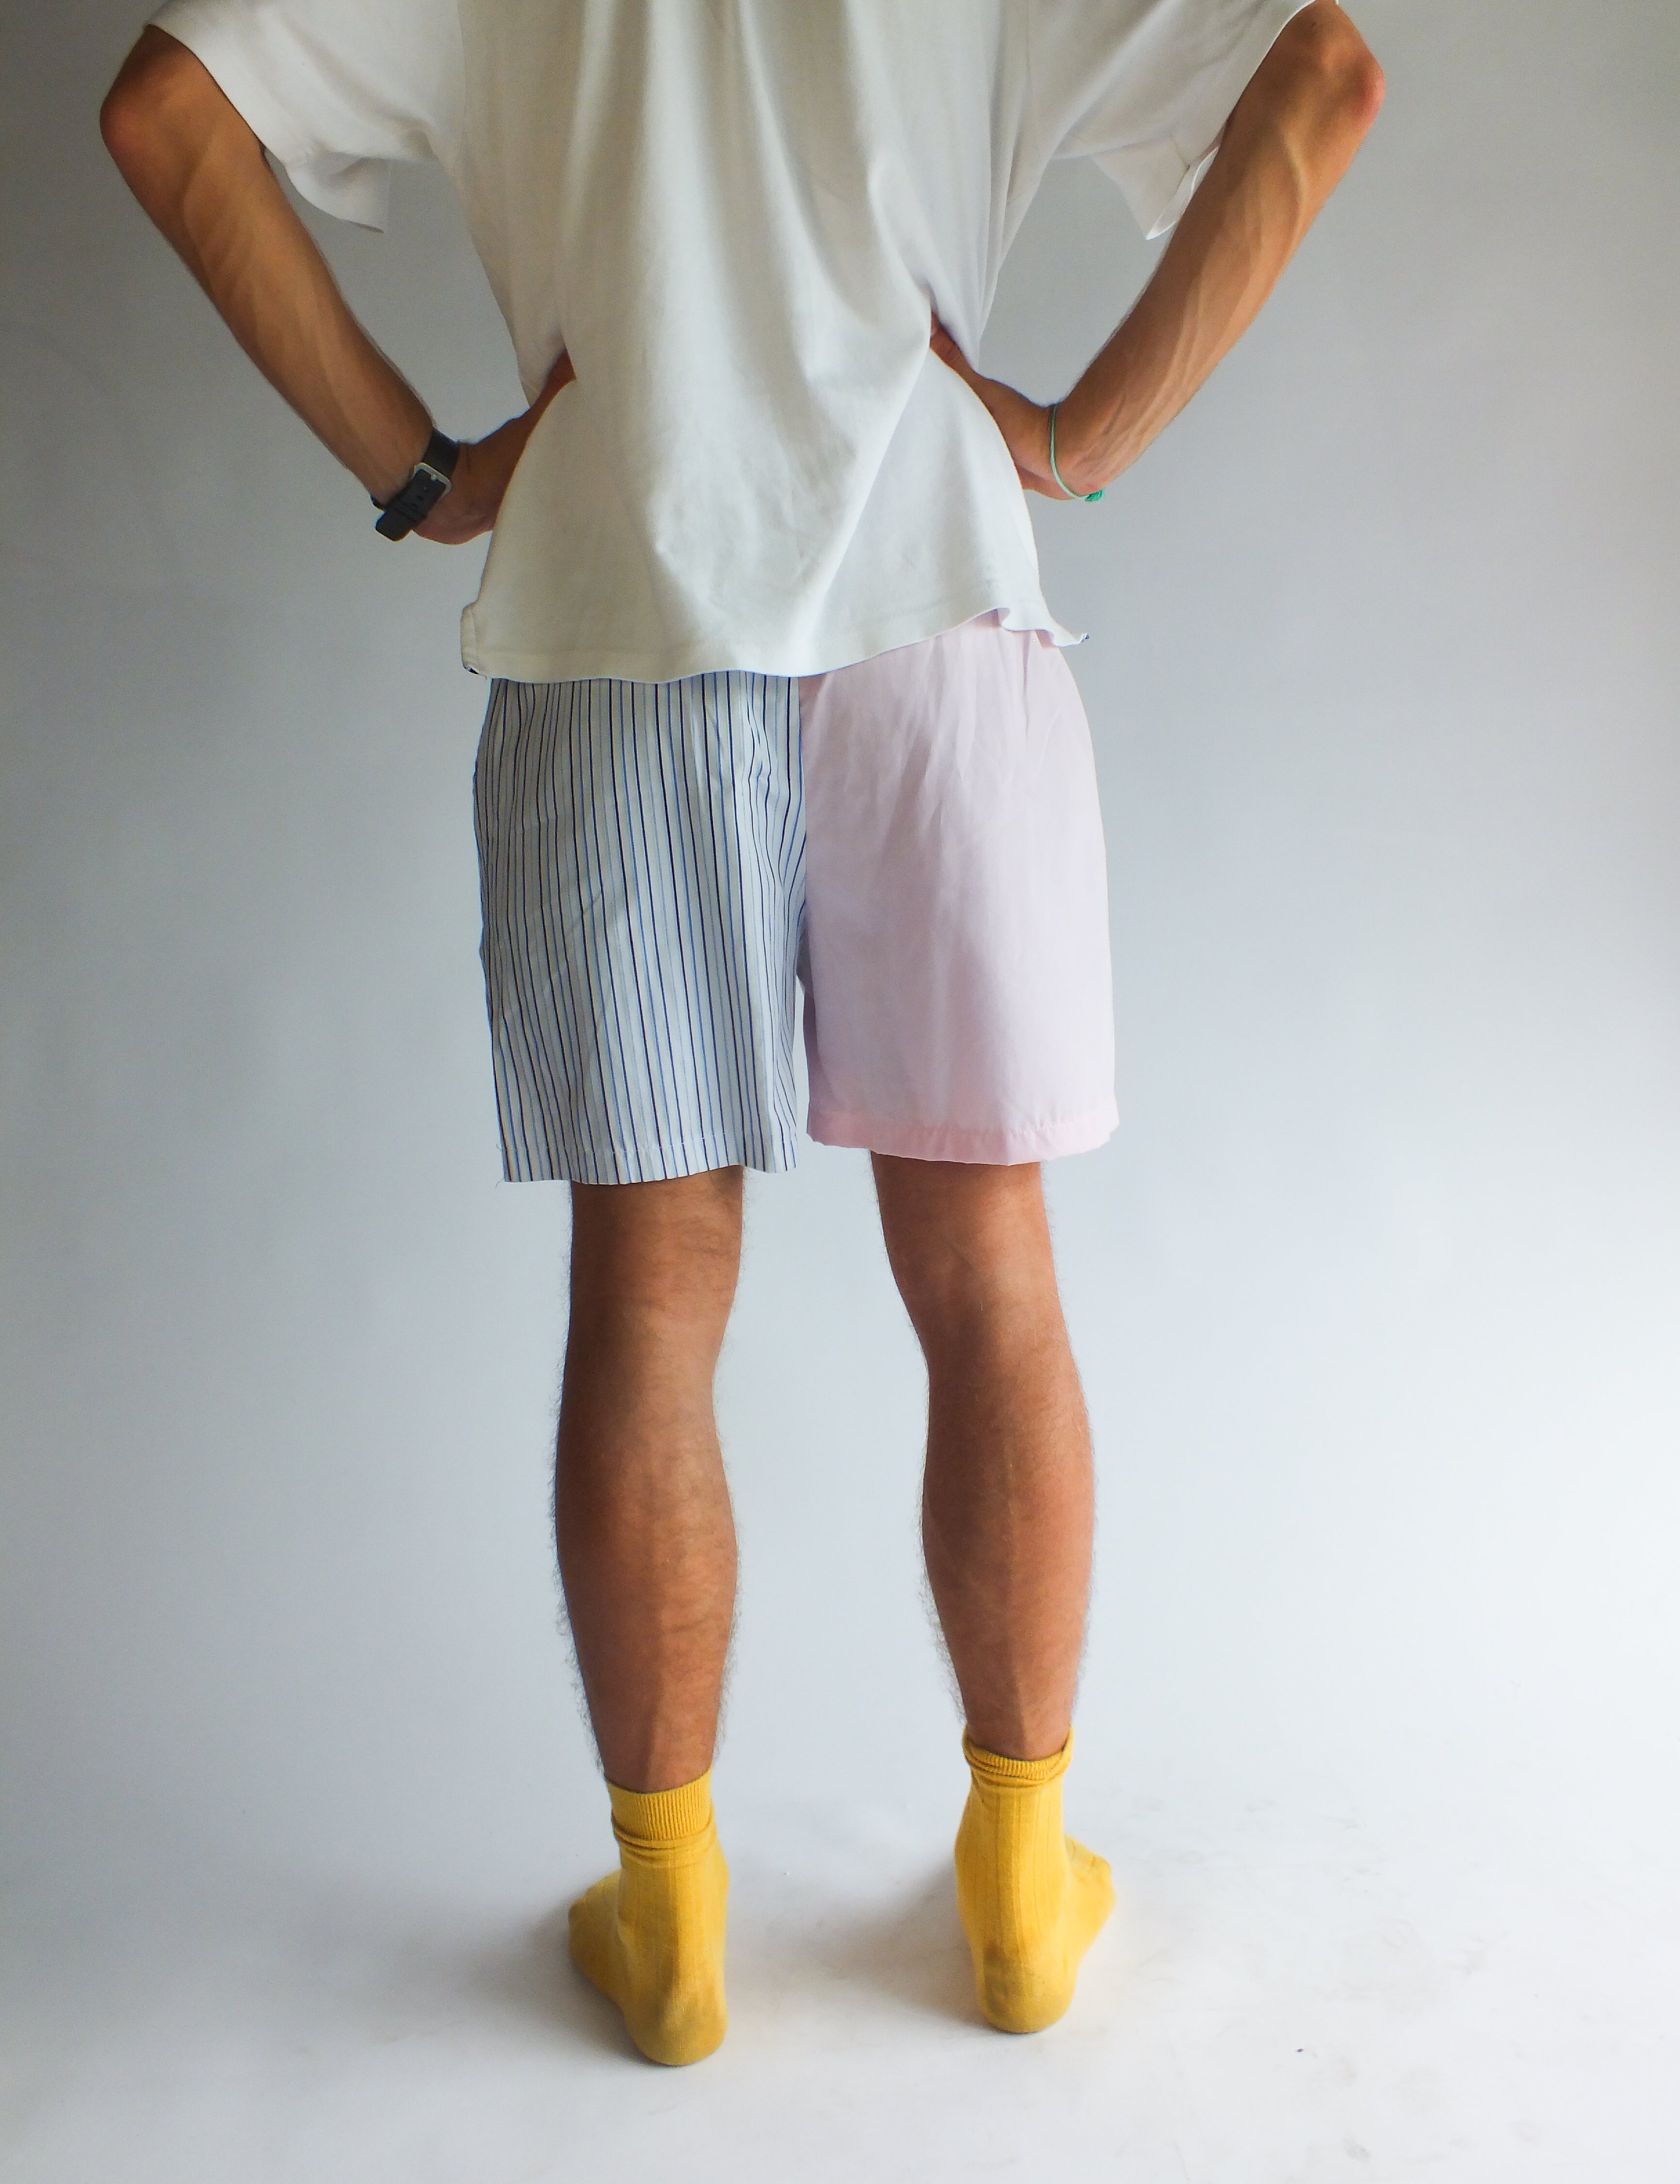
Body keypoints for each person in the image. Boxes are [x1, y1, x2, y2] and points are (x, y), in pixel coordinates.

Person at [101, 0, 1382, 2066]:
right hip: (936, 605)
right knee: (990, 1269)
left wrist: (427, 473)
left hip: (628, 603)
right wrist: (1075, 439)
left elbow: (168, 115)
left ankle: (676, 1921)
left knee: (650, 1291)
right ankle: (1019, 1885)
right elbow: (1325, 76)